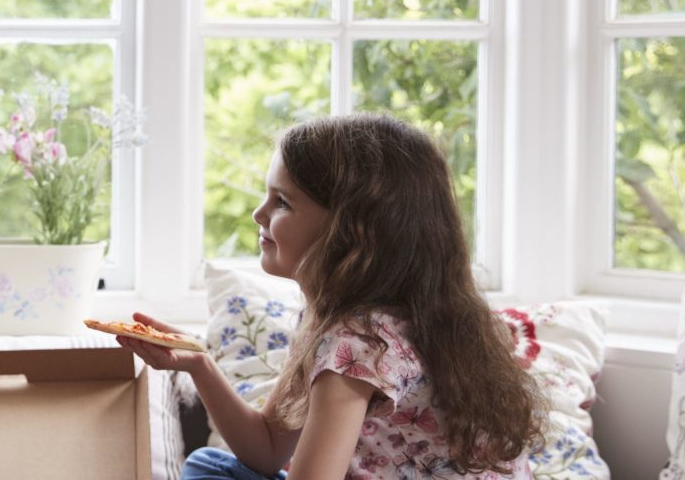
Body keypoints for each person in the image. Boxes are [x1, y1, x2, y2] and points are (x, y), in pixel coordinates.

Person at [117, 114, 543, 479]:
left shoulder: (356, 343)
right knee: (214, 464)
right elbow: (268, 448)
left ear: (352, 233)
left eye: (282, 202)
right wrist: (199, 363)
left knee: (208, 472)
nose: (258, 215)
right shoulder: (400, 318)